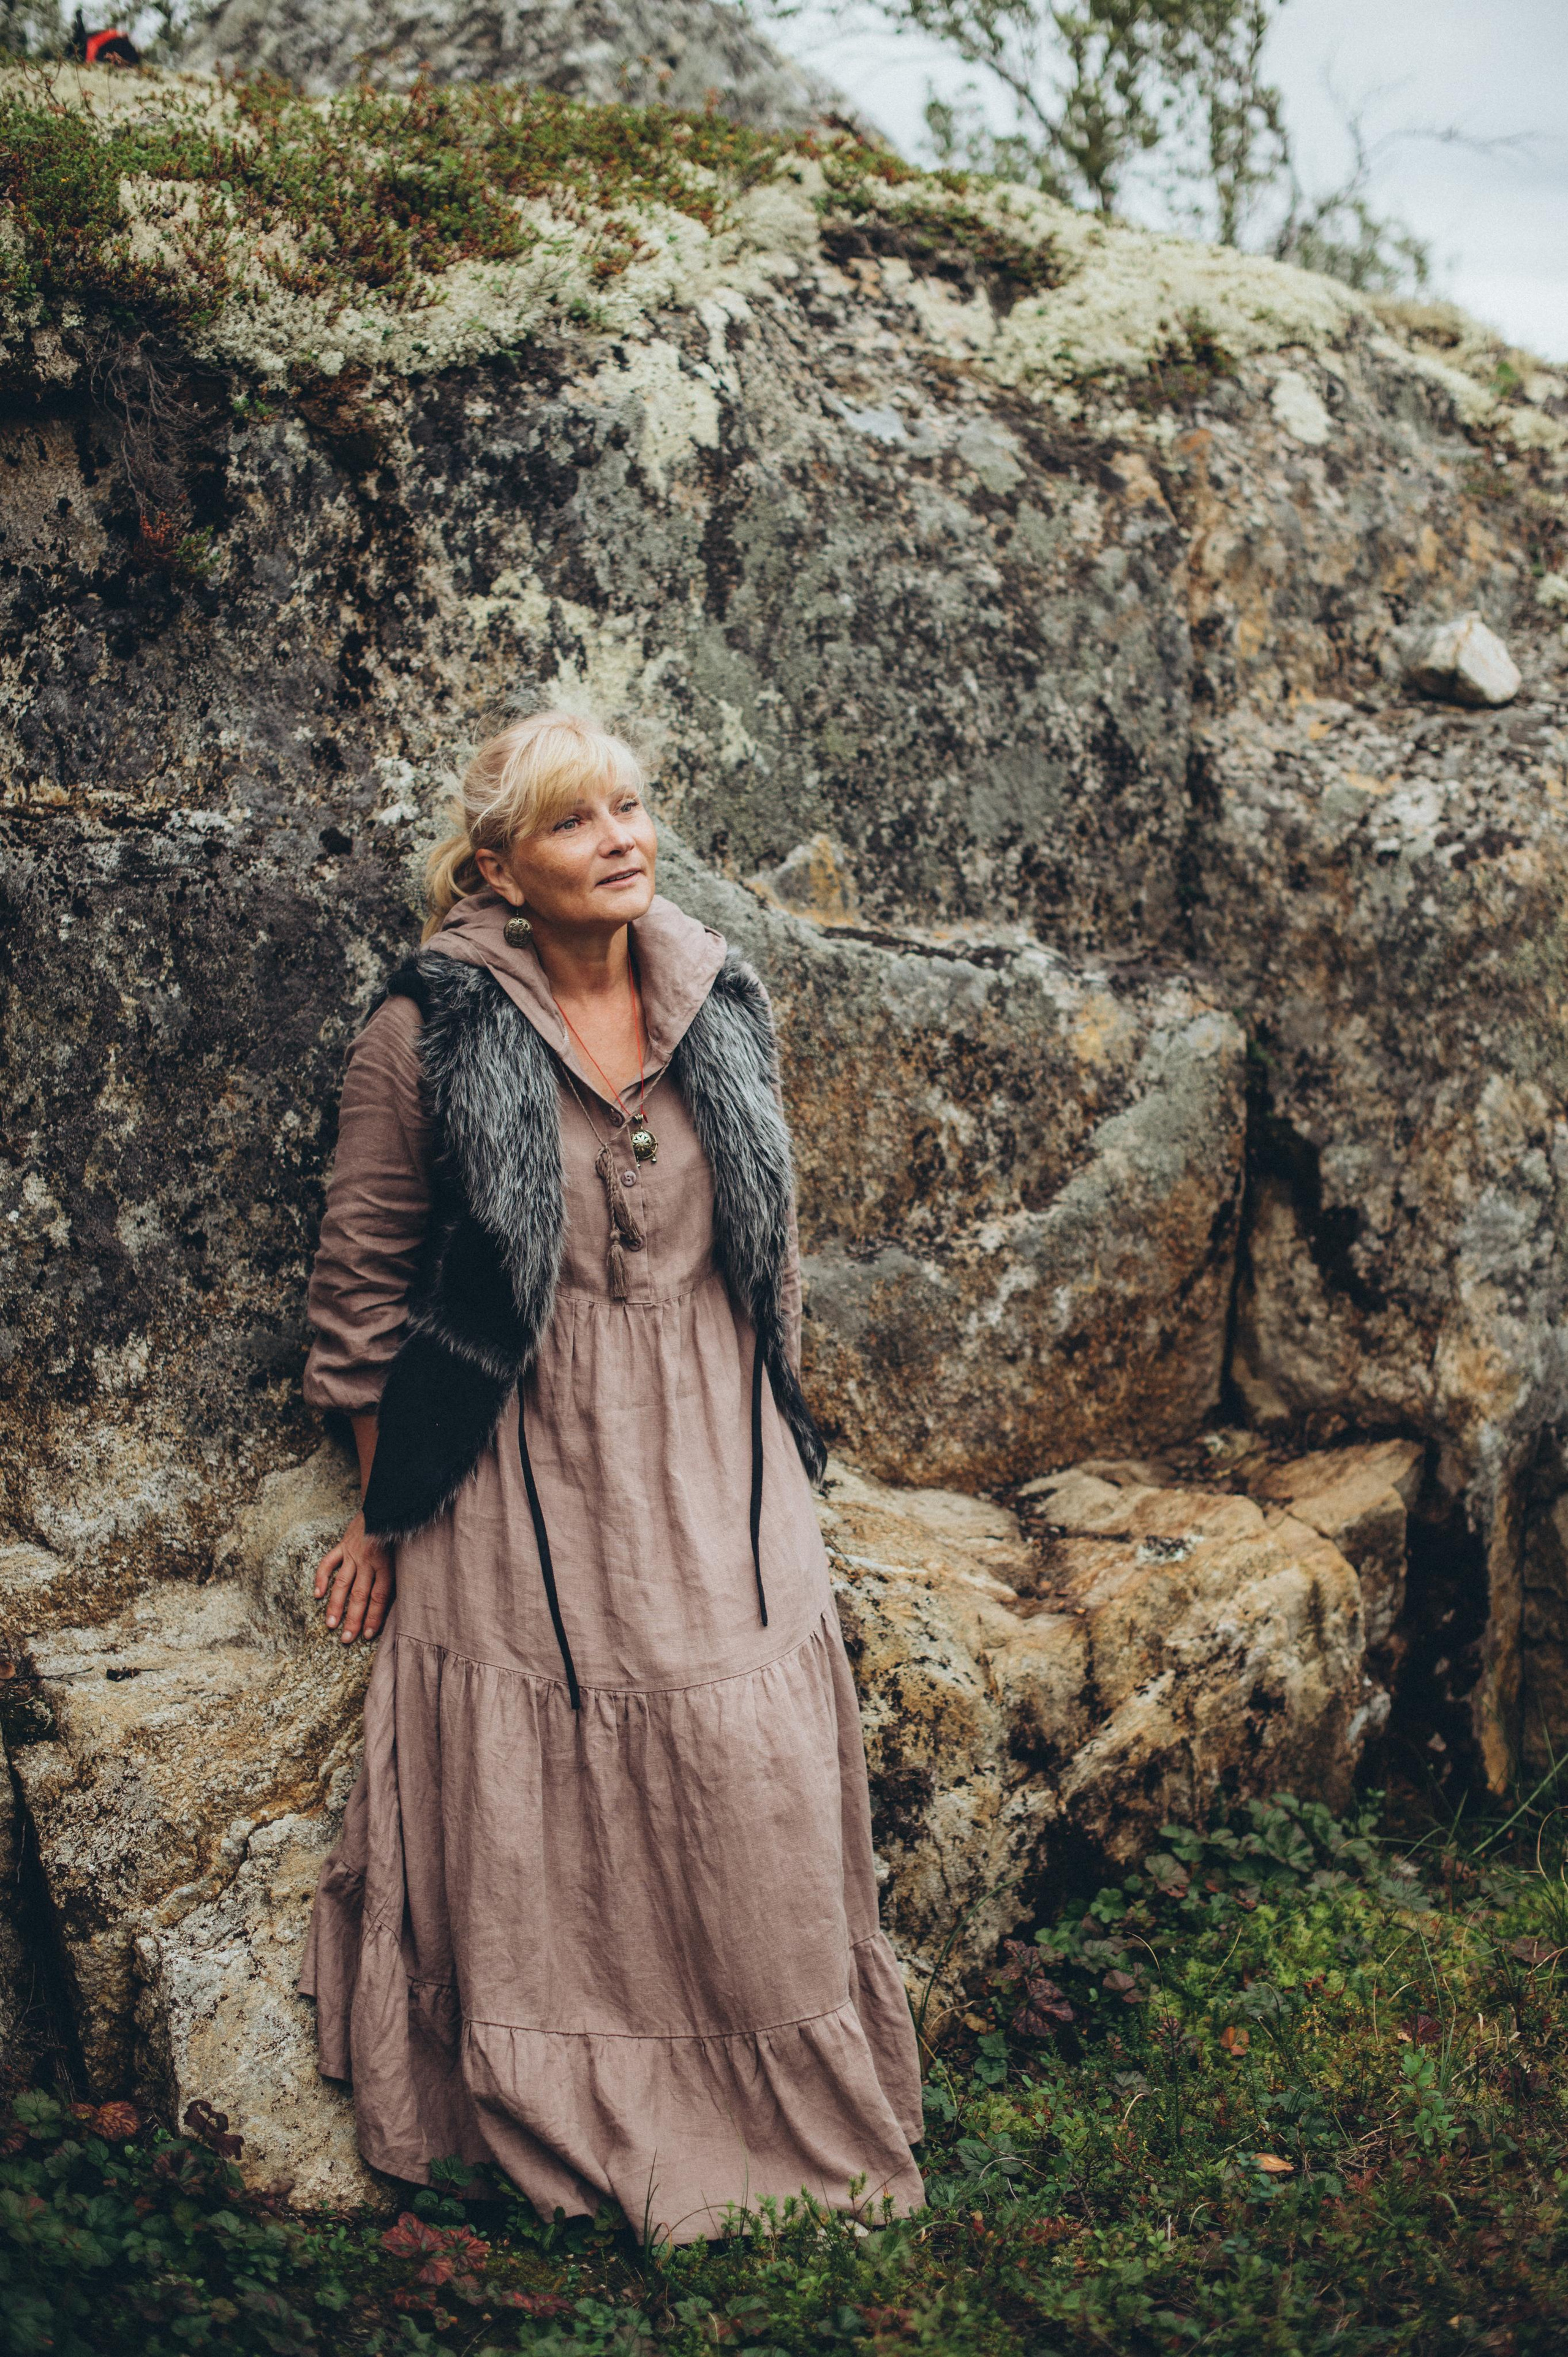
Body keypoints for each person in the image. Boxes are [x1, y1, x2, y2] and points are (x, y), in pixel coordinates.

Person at [298, 709, 924, 2242]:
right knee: (560, 1747)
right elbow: (360, 1292)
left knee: (745, 1740)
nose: (621, 839)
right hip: (522, 1441)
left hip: (715, 1427)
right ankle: (575, 2096)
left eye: (631, 806)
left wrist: (783, 1432)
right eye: (576, 821)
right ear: (498, 867)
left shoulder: (713, 994)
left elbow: (766, 1246)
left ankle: (780, 2093)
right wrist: (385, 1511)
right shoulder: (425, 1034)